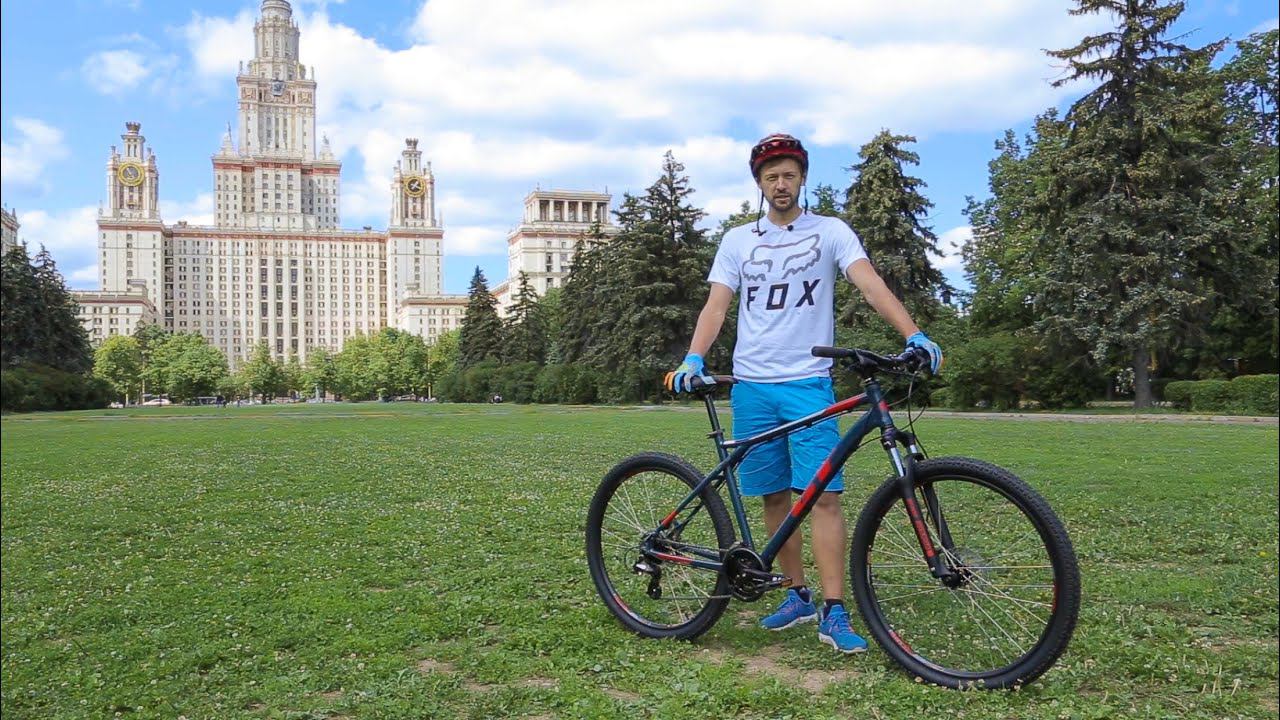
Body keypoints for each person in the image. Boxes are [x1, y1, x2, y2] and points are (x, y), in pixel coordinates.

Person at [664, 133, 943, 655]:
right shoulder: (737, 240)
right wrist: (693, 357)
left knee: (824, 497)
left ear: (803, 178)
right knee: (773, 495)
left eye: (788, 175)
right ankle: (796, 595)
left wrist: (913, 333)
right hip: (752, 385)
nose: (780, 184)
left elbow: (870, 284)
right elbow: (717, 306)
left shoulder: (830, 232)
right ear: (759, 184)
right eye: (771, 176)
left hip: (808, 383)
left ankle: (834, 610)